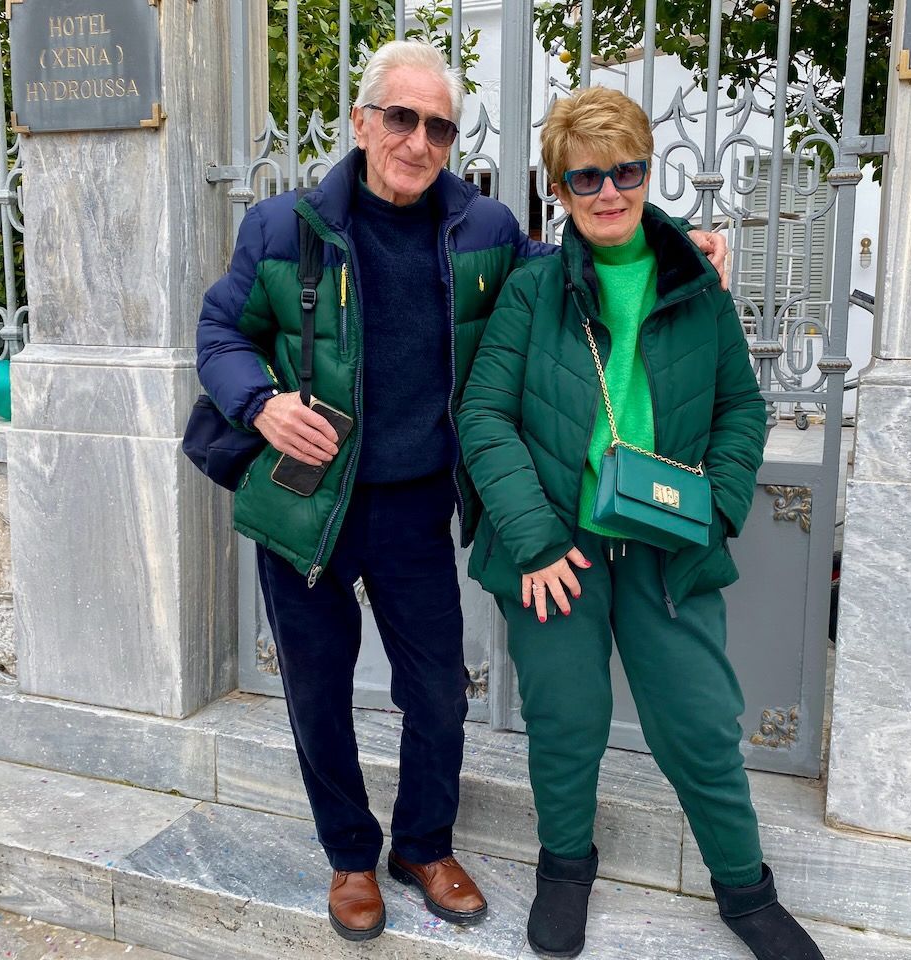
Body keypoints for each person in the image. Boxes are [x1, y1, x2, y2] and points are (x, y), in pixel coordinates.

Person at [195, 40, 731, 944]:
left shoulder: (481, 229)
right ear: (362, 122)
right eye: (400, 118)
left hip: (413, 507)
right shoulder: (281, 228)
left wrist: (678, 242)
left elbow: (588, 248)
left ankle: (424, 843)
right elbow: (219, 332)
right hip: (307, 502)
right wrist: (263, 405)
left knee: (439, 691)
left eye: (439, 125)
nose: (418, 140)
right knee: (318, 690)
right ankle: (351, 857)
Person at [457, 86, 824, 960]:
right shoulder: (532, 290)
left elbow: (741, 408)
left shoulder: (695, 285)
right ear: (560, 190)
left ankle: (745, 892)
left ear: (648, 170)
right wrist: (537, 539)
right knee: (567, 719)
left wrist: (719, 508)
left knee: (698, 723)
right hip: (556, 550)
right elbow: (483, 417)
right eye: (587, 179)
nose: (610, 192)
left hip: (668, 543)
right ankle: (564, 871)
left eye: (626, 170)